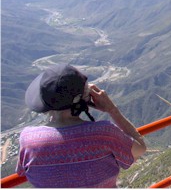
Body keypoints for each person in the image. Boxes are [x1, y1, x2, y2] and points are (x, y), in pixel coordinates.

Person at [16, 63, 146, 188]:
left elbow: (22, 171)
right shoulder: (104, 133)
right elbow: (140, 148)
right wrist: (112, 110)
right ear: (86, 97)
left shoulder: (28, 139)